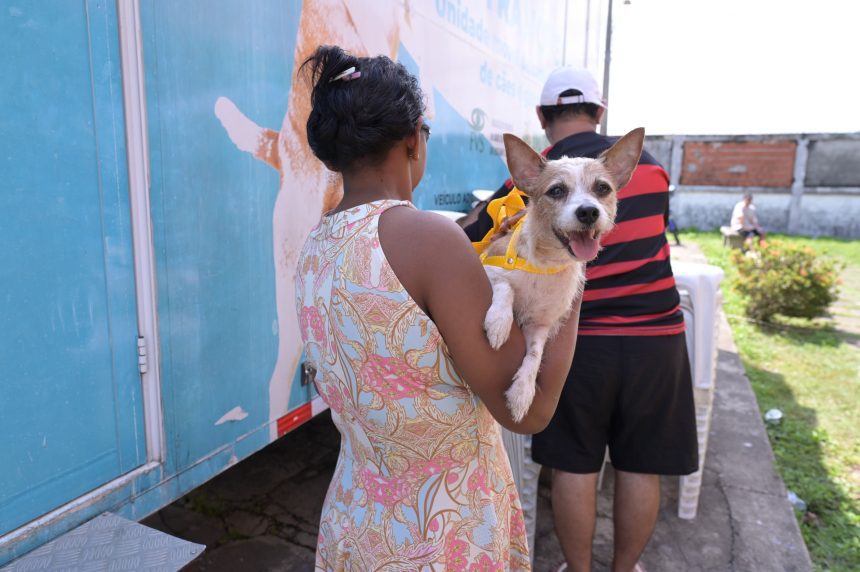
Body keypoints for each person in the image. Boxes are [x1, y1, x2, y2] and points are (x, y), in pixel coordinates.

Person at [294, 45, 581, 571]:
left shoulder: (315, 246)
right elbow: (530, 410)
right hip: (445, 528)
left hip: (358, 517)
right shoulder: (428, 237)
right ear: (412, 141)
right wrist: (565, 270)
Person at [464, 67, 698, 572]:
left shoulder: (535, 177)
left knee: (574, 465)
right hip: (656, 338)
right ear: (600, 112)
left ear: (543, 119)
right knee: (642, 465)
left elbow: (476, 233)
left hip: (580, 342)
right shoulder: (648, 170)